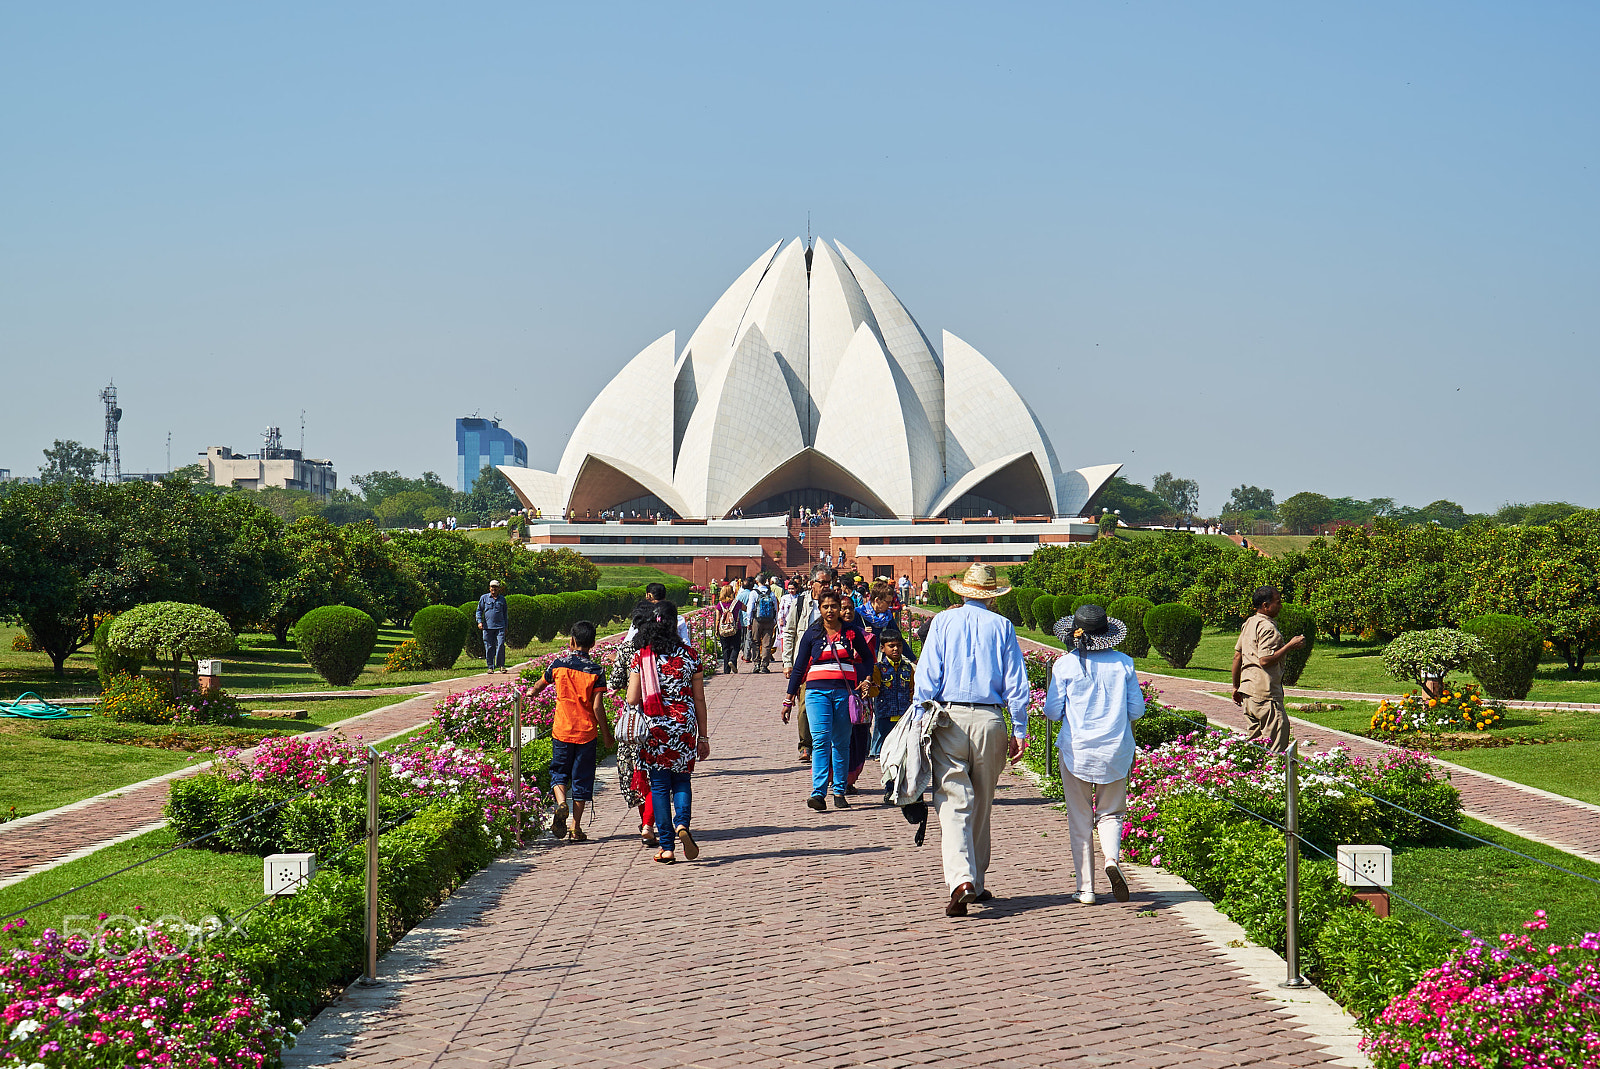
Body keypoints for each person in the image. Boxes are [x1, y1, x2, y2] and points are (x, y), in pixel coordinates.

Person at [912, 563, 1030, 917]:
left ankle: (961, 879)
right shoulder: (1002, 626)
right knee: (981, 803)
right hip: (990, 719)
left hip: (948, 718)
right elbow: (1016, 683)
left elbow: (928, 675)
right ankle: (975, 881)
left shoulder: (943, 622)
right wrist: (1020, 728)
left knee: (952, 802)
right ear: (992, 596)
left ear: (962, 592)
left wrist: (920, 718)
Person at [1042, 605, 1145, 904]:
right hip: (1115, 751)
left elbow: (1051, 711)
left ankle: (1086, 888)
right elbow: (1136, 709)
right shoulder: (1124, 663)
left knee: (1080, 819)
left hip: (1077, 751)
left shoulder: (1065, 665)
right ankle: (1111, 859)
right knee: (1112, 812)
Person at [626, 601, 710, 864]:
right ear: (675, 624)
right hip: (684, 725)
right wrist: (703, 736)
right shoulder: (691, 656)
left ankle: (667, 847)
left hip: (655, 728)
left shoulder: (643, 656)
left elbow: (631, 698)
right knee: (683, 780)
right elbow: (699, 700)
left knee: (660, 786)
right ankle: (682, 824)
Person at [784, 589, 872, 811]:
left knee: (841, 742)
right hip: (816, 693)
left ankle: (839, 791)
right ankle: (818, 793)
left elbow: (868, 658)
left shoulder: (852, 632)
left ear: (841, 608)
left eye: (835, 606)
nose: (831, 610)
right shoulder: (812, 633)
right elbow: (799, 666)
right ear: (820, 608)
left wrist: (864, 677)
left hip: (844, 693)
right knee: (821, 740)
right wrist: (788, 698)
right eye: (826, 607)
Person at [527, 620, 613, 842]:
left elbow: (539, 685)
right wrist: (607, 734)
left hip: (562, 730)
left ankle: (561, 802)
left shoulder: (558, 664)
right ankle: (575, 828)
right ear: (593, 643)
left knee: (559, 772)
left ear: (571, 641)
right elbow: (597, 707)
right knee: (582, 779)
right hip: (586, 733)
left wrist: (530, 695)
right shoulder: (596, 671)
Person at [1231, 585, 1304, 752]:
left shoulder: (1249, 623)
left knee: (1254, 749)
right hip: (1266, 695)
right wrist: (1290, 646)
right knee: (1276, 748)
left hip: (1248, 693)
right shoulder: (1268, 628)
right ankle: (1277, 778)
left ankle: (1251, 777)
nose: (1281, 606)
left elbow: (1237, 656)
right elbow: (1264, 660)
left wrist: (1236, 687)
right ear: (1265, 605)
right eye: (1277, 602)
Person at [782, 566, 833, 764]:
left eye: (829, 582)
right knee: (804, 706)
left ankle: (824, 743)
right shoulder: (802, 602)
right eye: (823, 582)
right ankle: (805, 745)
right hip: (805, 662)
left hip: (829, 662)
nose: (827, 586)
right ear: (813, 583)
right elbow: (790, 631)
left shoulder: (834, 603)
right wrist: (788, 662)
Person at [869, 629, 916, 762]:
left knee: (903, 752)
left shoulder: (908, 668)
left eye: (899, 645)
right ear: (883, 648)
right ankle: (889, 781)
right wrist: (868, 684)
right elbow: (874, 692)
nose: (896, 649)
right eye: (891, 646)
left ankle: (902, 781)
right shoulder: (878, 668)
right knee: (888, 751)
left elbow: (912, 690)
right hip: (885, 716)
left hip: (904, 716)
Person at [624, 583, 691, 647]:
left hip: (645, 655)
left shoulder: (641, 618)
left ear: (648, 596)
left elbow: (628, 640)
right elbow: (686, 642)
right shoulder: (678, 619)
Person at [475, 579, 509, 674]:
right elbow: (479, 611)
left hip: (500, 626)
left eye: (496, 587)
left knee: (501, 645)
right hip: (487, 627)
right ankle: (490, 667)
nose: (493, 589)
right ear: (489, 588)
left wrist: (506, 626)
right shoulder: (484, 598)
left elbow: (505, 614)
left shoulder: (502, 599)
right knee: (489, 647)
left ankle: (501, 665)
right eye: (492, 587)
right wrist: (479, 622)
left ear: (499, 589)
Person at [750, 578, 779, 672]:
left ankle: (756, 664)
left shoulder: (754, 593)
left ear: (757, 581)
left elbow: (750, 607)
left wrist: (749, 621)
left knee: (756, 642)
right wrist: (775, 619)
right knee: (767, 643)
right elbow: (775, 607)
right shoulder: (771, 593)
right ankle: (764, 665)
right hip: (769, 620)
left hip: (757, 620)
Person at [713, 584, 743, 675]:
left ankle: (726, 669)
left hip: (723, 629)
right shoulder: (736, 603)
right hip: (735, 628)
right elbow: (745, 608)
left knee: (725, 648)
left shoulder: (720, 604)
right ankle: (732, 660)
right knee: (736, 646)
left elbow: (718, 618)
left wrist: (716, 629)